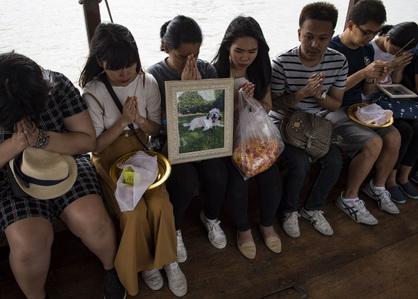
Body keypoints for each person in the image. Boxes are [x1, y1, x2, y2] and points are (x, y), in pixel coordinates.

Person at [0, 52, 125, 299]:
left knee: (93, 219)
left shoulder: (57, 84)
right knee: (29, 244)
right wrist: (17, 143)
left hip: (64, 161)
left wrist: (40, 138)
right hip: (4, 174)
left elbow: (86, 140)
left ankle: (112, 269)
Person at [79, 23, 187, 297]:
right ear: (101, 63)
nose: (126, 73)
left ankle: (167, 260)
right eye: (117, 68)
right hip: (111, 159)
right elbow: (95, 144)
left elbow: (154, 130)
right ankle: (144, 265)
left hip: (140, 156)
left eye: (130, 65)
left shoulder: (146, 81)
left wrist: (138, 120)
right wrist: (123, 121)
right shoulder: (93, 92)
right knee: (133, 209)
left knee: (161, 202)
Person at [147, 15, 228, 263]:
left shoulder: (206, 69)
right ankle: (176, 228)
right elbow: (155, 124)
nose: (190, 62)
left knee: (218, 173)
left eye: (196, 54)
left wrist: (203, 89)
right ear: (166, 48)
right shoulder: (154, 75)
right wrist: (183, 92)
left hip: (200, 139)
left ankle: (211, 217)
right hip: (167, 141)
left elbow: (216, 107)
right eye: (183, 56)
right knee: (184, 180)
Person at [269, 2, 346, 238]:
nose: (314, 44)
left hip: (316, 123)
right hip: (284, 121)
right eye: (309, 36)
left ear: (332, 35)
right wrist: (302, 94)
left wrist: (319, 95)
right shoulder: (282, 62)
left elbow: (336, 103)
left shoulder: (339, 61)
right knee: (299, 163)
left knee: (334, 160)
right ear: (299, 33)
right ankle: (289, 211)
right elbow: (274, 104)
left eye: (323, 38)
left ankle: (312, 208)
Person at [212, 16, 282, 259]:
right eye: (239, 51)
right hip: (226, 137)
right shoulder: (216, 71)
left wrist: (251, 100)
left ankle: (266, 224)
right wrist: (235, 100)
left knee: (272, 176)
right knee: (238, 177)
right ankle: (243, 229)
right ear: (227, 48)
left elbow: (268, 107)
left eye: (252, 51)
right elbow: (213, 116)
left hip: (254, 139)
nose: (245, 57)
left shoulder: (261, 69)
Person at [327, 0, 401, 224]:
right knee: (373, 143)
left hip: (357, 107)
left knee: (394, 136)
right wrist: (362, 73)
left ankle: (377, 186)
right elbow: (329, 94)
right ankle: (349, 198)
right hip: (333, 110)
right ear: (350, 24)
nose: (370, 38)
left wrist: (377, 76)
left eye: (375, 33)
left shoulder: (367, 50)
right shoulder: (331, 49)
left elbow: (367, 90)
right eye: (366, 32)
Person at [370, 22, 418, 202]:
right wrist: (390, 65)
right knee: (404, 130)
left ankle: (404, 177)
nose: (396, 54)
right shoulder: (370, 49)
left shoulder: (399, 53)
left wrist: (398, 67)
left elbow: (394, 82)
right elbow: (368, 88)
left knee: (416, 126)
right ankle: (390, 180)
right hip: (372, 101)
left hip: (389, 100)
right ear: (388, 38)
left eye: (401, 52)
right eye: (395, 49)